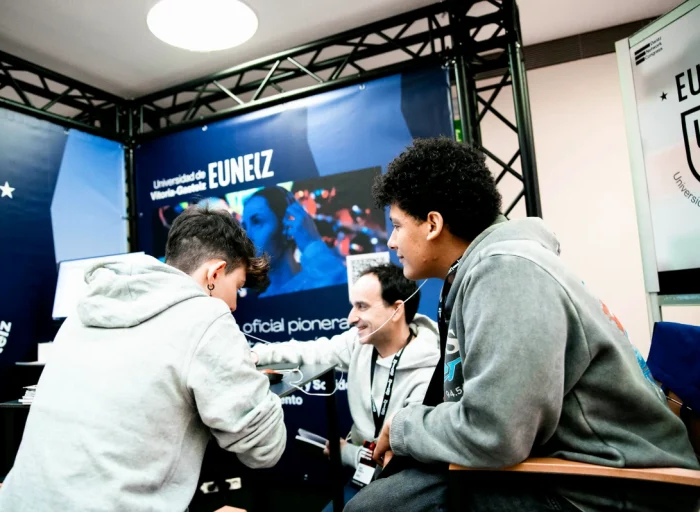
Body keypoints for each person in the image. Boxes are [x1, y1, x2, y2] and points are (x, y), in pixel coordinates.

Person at [345, 137, 700, 512]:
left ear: (432, 224)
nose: (392, 239)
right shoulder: (500, 264)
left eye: (398, 226)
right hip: (579, 469)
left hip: (609, 491)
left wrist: (403, 426)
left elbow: (495, 435)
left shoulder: (506, 272)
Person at [0, 207, 286, 512]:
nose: (234, 304)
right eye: (237, 287)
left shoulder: (83, 313)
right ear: (214, 274)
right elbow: (265, 449)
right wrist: (252, 381)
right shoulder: (207, 317)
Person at [251, 263, 439, 473]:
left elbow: (398, 463)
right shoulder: (360, 343)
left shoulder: (428, 372)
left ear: (396, 310)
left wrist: (347, 453)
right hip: (361, 466)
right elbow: (312, 350)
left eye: (362, 306)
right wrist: (257, 354)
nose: (351, 318)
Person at [242, 186, 346, 297]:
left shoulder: (319, 282)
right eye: (244, 227)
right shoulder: (261, 300)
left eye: (257, 222)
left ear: (286, 227)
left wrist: (311, 244)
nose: (247, 236)